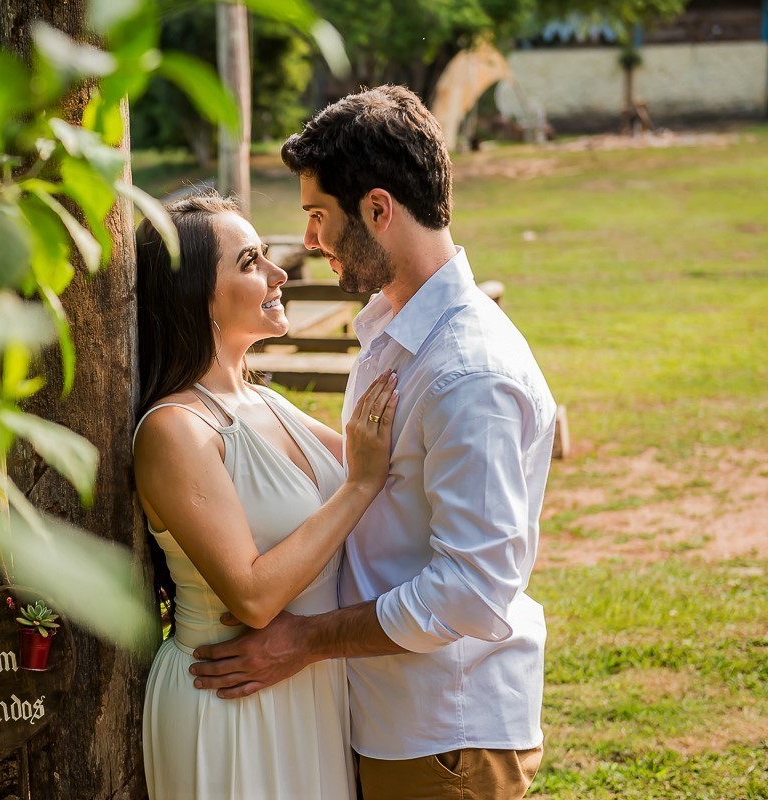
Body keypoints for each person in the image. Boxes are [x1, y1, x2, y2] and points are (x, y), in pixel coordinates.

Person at [188, 86, 557, 800]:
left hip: (442, 733)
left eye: (318, 216)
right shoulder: (396, 327)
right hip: (390, 717)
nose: (310, 241)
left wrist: (305, 640)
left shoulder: (467, 374)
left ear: (378, 210)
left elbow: (473, 592)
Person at [133, 190, 400, 799]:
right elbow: (252, 597)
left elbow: (391, 464)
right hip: (229, 699)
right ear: (196, 295)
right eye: (251, 262)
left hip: (309, 684)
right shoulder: (175, 430)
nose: (279, 274)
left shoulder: (265, 402)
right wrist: (357, 486)